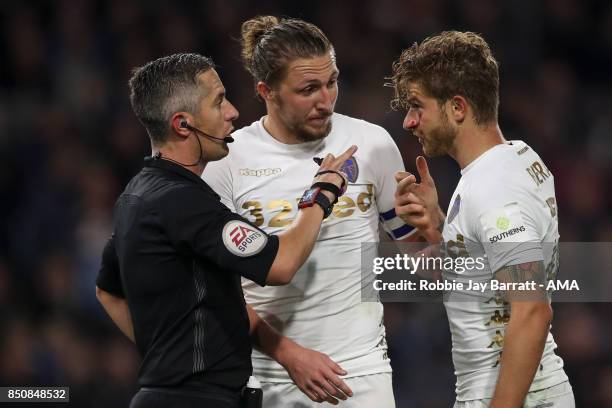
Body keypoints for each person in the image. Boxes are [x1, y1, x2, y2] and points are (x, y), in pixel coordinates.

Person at [95, 53, 356, 408]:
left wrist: (165, 359)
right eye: (219, 102)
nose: (233, 111)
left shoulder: (137, 193)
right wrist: (321, 193)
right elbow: (281, 263)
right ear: (183, 124)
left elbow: (108, 291)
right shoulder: (183, 202)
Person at [203, 16, 417, 407]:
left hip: (362, 375)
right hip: (268, 377)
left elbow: (425, 263)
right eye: (308, 89)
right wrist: (287, 354)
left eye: (331, 82)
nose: (325, 100)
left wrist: (432, 225)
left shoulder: (373, 144)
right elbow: (215, 292)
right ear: (266, 91)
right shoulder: (227, 160)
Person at [389, 31, 574, 407]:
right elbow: (479, 276)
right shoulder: (515, 157)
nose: (409, 122)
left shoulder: (492, 189)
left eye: (416, 106)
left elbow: (533, 308)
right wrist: (435, 226)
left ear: (457, 108)